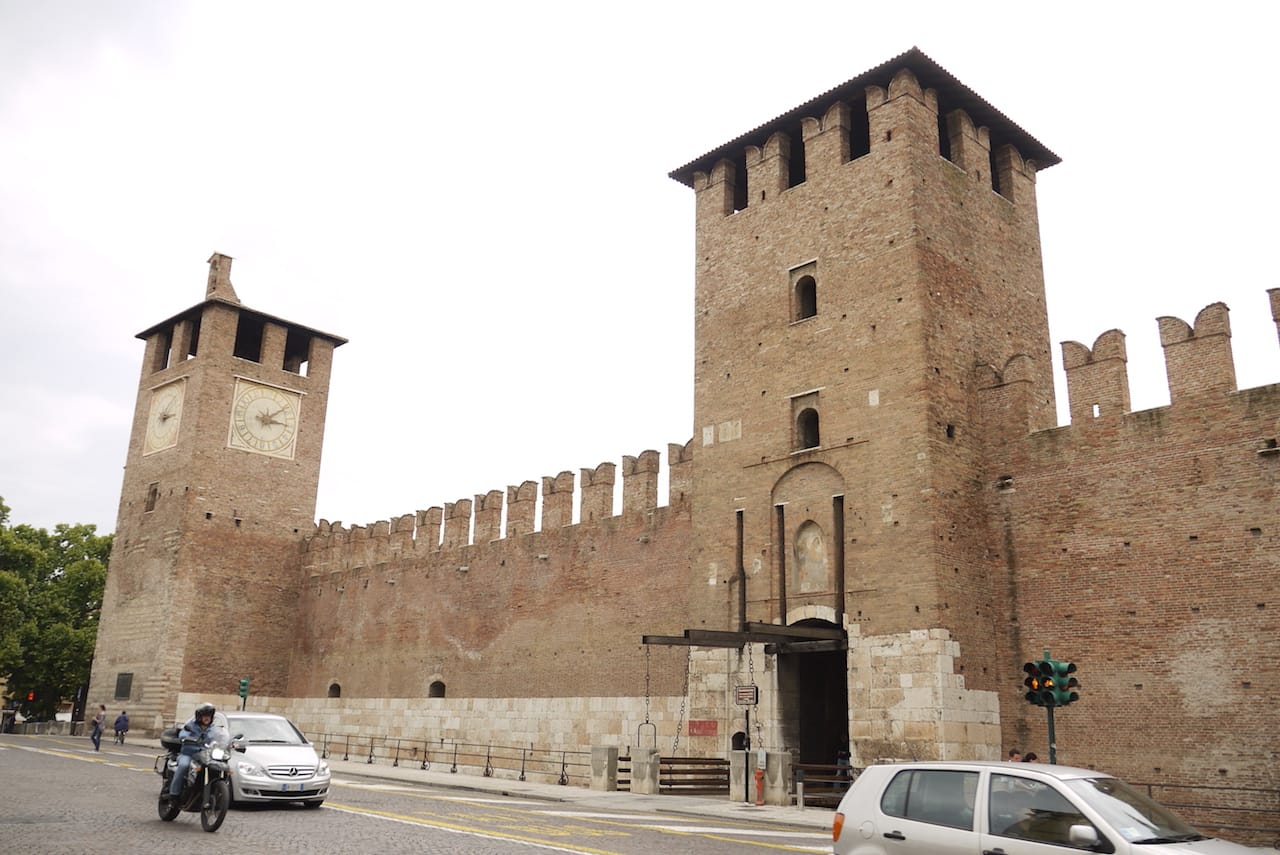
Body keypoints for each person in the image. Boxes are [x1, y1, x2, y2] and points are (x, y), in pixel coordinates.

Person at [167, 702, 218, 801]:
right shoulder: (191, 725)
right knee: (183, 766)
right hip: (188, 754)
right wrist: (186, 738)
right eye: (205, 716)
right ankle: (174, 794)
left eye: (209, 716)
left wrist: (231, 743)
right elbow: (183, 733)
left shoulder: (213, 729)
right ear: (199, 717)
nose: (207, 718)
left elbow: (219, 737)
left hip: (204, 756)